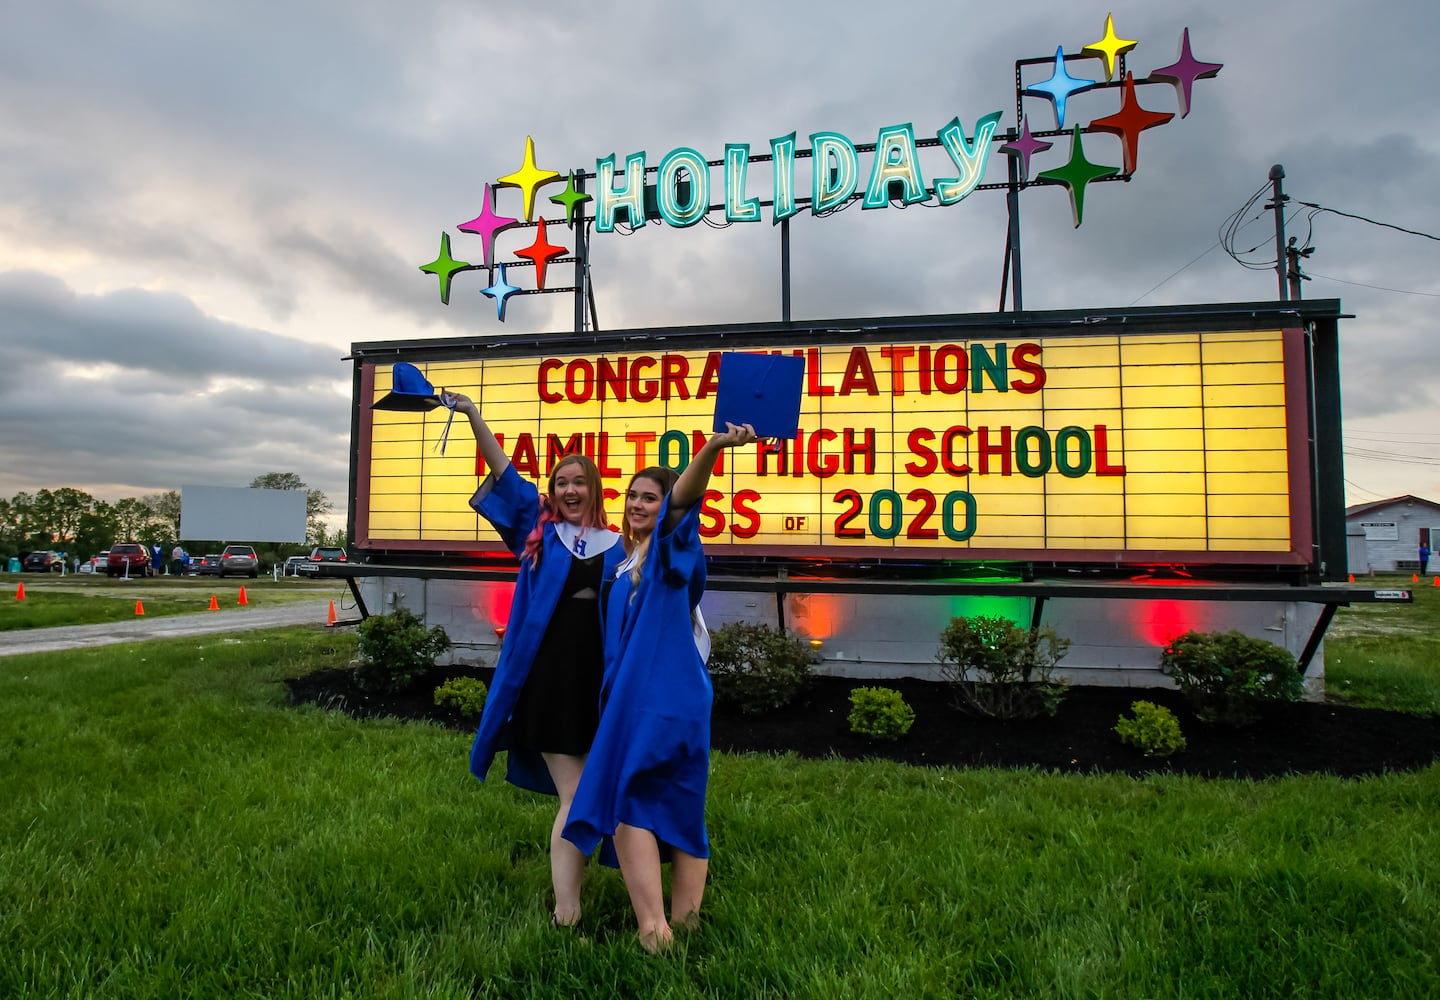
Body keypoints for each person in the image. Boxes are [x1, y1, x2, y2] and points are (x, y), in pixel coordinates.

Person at [564, 421, 758, 953]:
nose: (637, 504)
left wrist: (713, 448)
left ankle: (654, 930)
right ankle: (687, 921)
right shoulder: (628, 561)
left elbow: (683, 503)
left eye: (649, 497)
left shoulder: (671, 555)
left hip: (658, 699)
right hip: (665, 698)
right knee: (679, 801)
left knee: (628, 801)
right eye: (631, 495)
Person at [448, 391, 624, 927]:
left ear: (595, 488)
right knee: (575, 794)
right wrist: (476, 415)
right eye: (561, 483)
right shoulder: (539, 533)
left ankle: (584, 889)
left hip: (601, 687)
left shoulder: (620, 546)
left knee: (597, 792)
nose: (570, 490)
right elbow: (502, 471)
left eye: (579, 481)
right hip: (549, 685)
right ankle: (565, 910)